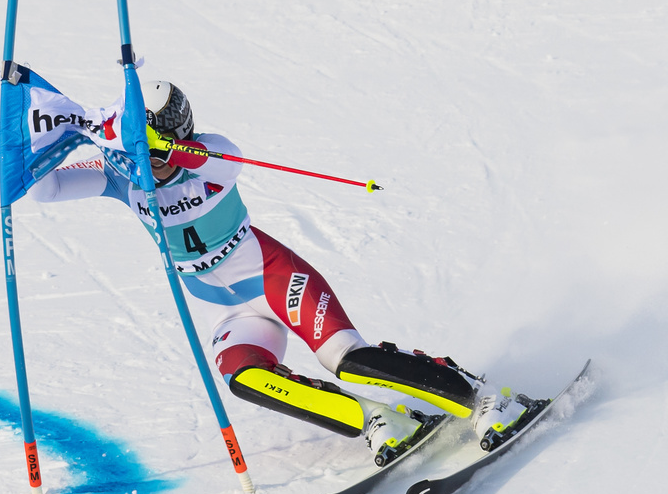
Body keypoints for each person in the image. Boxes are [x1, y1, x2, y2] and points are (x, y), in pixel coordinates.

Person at [31, 80, 533, 465]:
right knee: (246, 378)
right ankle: (377, 419)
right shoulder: (122, 173)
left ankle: (484, 398)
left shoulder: (212, 151)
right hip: (221, 304)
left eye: (160, 150)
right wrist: (30, 147)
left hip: (272, 276)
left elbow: (217, 162)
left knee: (347, 360)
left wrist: (154, 146)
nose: (153, 166)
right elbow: (46, 190)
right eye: (143, 153)